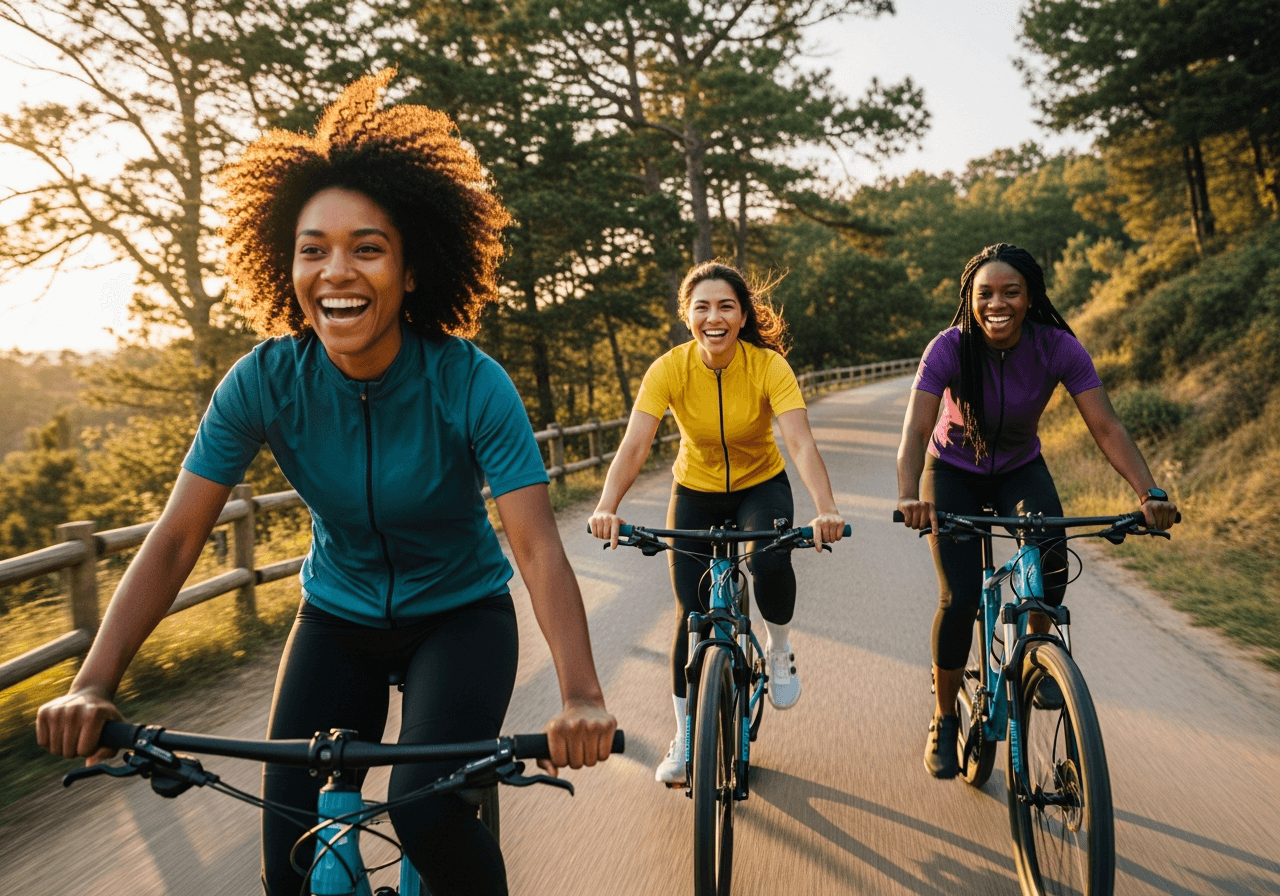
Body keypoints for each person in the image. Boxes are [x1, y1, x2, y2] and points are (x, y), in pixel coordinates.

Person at [35, 70, 616, 896]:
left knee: (424, 809)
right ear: (290, 268)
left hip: (459, 616)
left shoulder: (469, 382)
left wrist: (582, 695)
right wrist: (93, 682)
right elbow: (173, 541)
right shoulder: (263, 381)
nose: (336, 271)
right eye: (314, 250)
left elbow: (533, 544)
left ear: (411, 272)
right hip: (335, 616)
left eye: (367, 249)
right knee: (287, 852)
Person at [895, 242, 1178, 780]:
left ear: (1031, 298)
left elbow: (1107, 426)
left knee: (1049, 555)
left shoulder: (1058, 347)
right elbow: (914, 428)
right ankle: (944, 717)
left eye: (1010, 292)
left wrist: (1149, 493)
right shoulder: (949, 347)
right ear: (969, 300)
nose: (996, 304)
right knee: (958, 598)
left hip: (1020, 466)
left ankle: (1038, 651)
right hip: (952, 470)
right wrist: (910, 493)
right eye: (985, 294)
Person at [587, 261, 845, 785]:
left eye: (726, 305)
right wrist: (606, 504)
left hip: (760, 484)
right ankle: (685, 739)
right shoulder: (668, 369)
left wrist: (826, 508)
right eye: (702, 306)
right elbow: (635, 443)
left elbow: (799, 441)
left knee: (770, 561)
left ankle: (778, 647)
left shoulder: (767, 366)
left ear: (743, 314)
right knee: (691, 611)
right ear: (687, 316)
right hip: (695, 490)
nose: (714, 316)